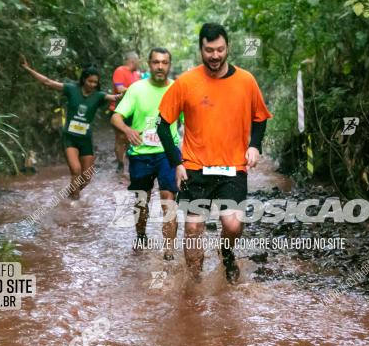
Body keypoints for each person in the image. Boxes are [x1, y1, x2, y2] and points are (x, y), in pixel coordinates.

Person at [155, 23, 272, 283]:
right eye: (209, 50)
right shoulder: (186, 82)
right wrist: (177, 162)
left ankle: (226, 252)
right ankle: (194, 283)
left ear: (227, 48)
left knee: (232, 225)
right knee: (194, 226)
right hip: (195, 166)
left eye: (219, 49)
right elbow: (162, 125)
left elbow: (260, 117)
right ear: (201, 50)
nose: (215, 56)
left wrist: (255, 145)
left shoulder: (246, 81)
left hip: (233, 167)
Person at [111, 48, 182, 260]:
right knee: (141, 200)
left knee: (169, 198)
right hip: (141, 153)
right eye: (155, 62)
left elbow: (192, 120)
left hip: (167, 153)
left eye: (164, 62)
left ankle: (168, 251)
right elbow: (116, 117)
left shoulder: (178, 89)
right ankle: (141, 235)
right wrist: (127, 130)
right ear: (149, 64)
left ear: (169, 65)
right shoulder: (136, 89)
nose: (160, 66)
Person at [20, 56, 119, 199]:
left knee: (86, 178)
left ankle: (71, 194)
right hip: (70, 137)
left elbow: (116, 97)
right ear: (84, 79)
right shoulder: (71, 89)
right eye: (90, 81)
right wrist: (28, 69)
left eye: (95, 82)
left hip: (85, 139)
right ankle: (75, 205)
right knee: (76, 170)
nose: (92, 84)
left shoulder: (99, 96)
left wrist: (129, 92)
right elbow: (48, 82)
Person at [110, 52, 142, 173]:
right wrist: (136, 90)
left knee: (133, 135)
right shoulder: (120, 70)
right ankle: (120, 164)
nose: (140, 63)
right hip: (120, 108)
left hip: (134, 110)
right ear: (133, 61)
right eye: (138, 61)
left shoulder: (136, 75)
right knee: (120, 137)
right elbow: (120, 89)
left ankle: (131, 162)